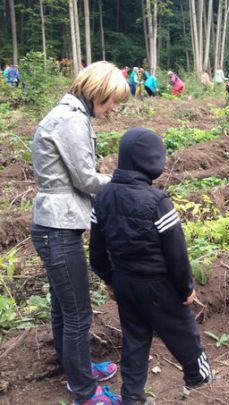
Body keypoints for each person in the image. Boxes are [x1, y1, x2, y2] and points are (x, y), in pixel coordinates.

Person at [30, 61, 130, 405]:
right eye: (112, 100)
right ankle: (85, 393)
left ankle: (77, 368)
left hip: (56, 224)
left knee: (64, 309)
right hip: (58, 228)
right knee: (77, 314)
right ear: (97, 92)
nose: (114, 108)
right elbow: (86, 179)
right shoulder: (72, 119)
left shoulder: (67, 113)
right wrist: (123, 182)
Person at [89, 127, 212, 405]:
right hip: (159, 285)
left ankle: (132, 397)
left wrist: (110, 279)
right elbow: (176, 255)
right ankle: (201, 383)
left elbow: (96, 252)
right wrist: (185, 289)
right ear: (151, 161)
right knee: (184, 334)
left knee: (134, 340)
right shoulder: (157, 201)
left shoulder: (102, 197)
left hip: (124, 282)